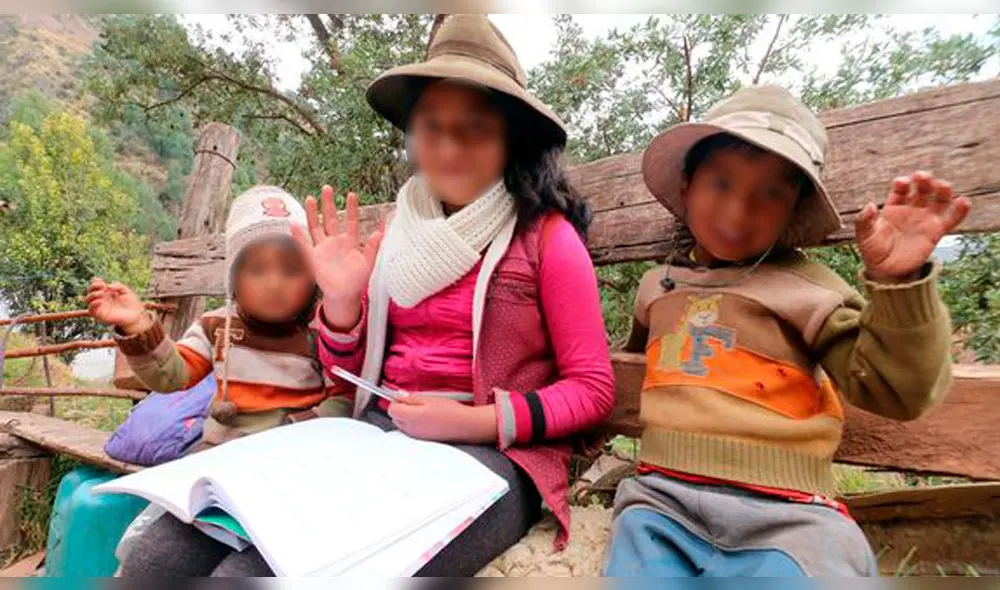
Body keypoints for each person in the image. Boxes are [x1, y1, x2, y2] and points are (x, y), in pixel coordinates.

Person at [603, 85, 969, 577]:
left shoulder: (809, 290)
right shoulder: (657, 288)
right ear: (688, 186)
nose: (738, 211)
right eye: (721, 183)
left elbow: (896, 390)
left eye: (772, 192)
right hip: (659, 503)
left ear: (794, 210)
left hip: (787, 513)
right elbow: (639, 375)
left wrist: (897, 283)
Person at [300, 14, 616, 576]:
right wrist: (344, 308)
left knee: (368, 569)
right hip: (380, 435)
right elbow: (343, 370)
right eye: (431, 126)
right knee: (180, 551)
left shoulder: (546, 238)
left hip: (495, 456)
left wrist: (472, 422)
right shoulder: (398, 233)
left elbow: (592, 389)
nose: (448, 147)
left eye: (474, 128)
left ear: (511, 137)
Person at [90, 185, 353, 577]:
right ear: (234, 276)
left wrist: (298, 431)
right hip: (219, 477)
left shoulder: (321, 332)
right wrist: (138, 325)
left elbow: (343, 396)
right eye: (257, 269)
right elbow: (172, 375)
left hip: (292, 475)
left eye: (292, 269)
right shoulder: (216, 326)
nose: (274, 283)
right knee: (149, 561)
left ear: (314, 276)